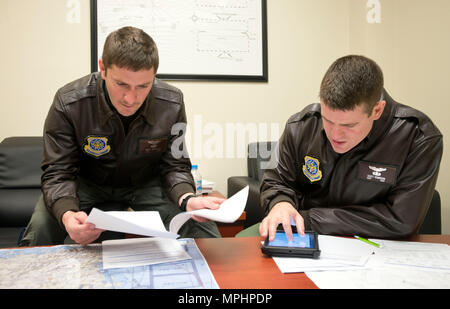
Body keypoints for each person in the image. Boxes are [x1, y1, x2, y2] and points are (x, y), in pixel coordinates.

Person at [20, 26, 223, 246]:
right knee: (41, 227)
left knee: (202, 227)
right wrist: (67, 214)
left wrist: (187, 198)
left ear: (154, 76)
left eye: (143, 86)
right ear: (103, 69)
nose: (130, 98)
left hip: (146, 183)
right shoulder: (69, 102)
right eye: (121, 84)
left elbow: (175, 164)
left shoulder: (171, 103)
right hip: (86, 183)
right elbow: (58, 171)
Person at [259, 55, 443, 241]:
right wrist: (280, 203)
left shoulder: (418, 137)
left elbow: (401, 220)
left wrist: (309, 219)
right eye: (328, 121)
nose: (336, 135)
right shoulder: (301, 126)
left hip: (378, 249)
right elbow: (276, 181)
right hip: (303, 238)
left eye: (349, 126)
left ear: (377, 110)